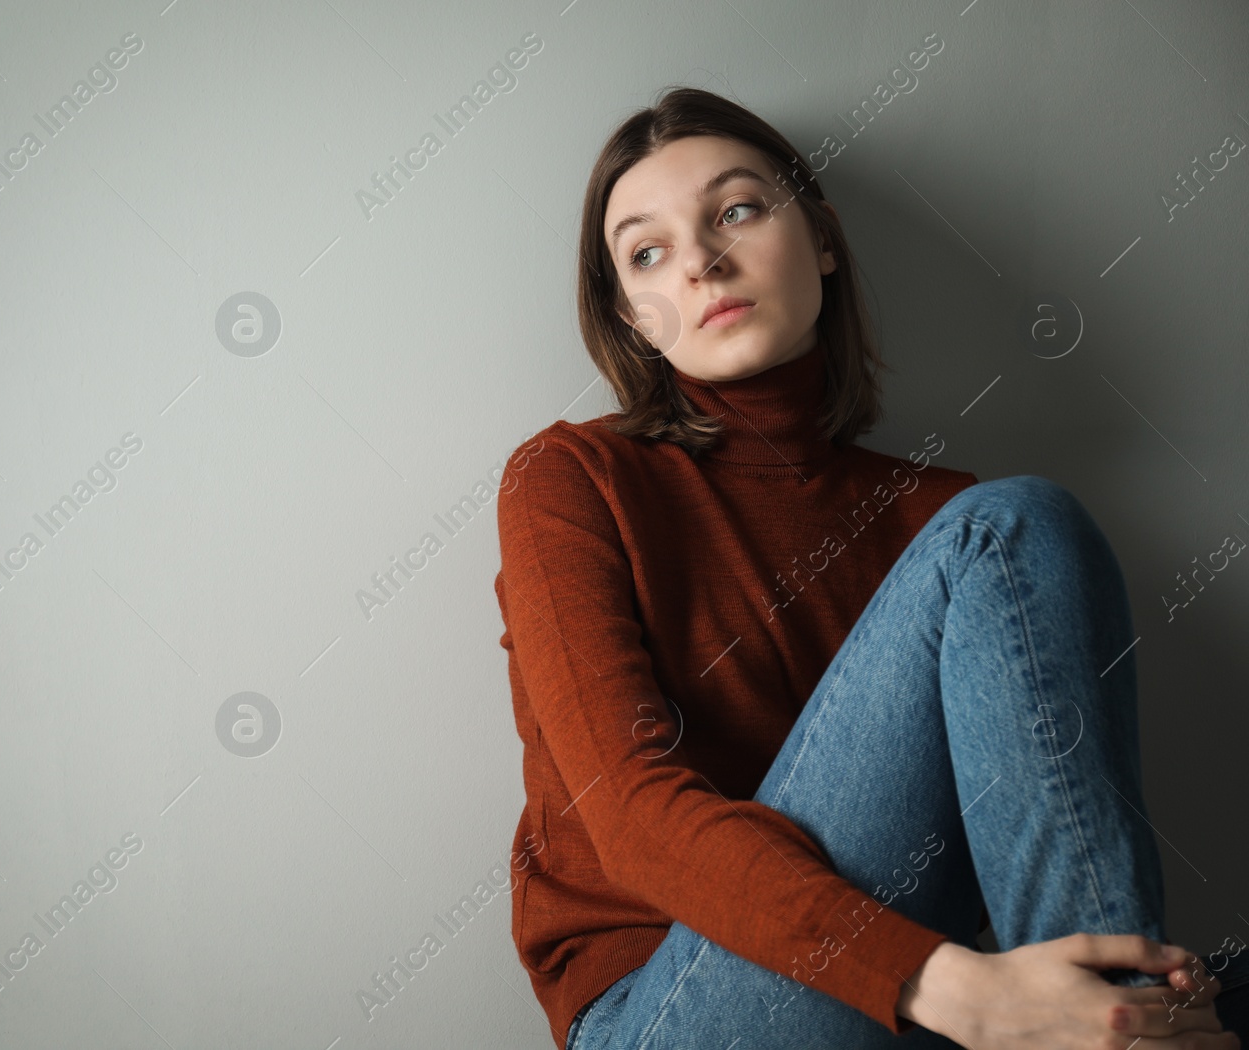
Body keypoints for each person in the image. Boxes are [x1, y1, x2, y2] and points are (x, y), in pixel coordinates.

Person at [492, 86, 1247, 1050]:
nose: (702, 263)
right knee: (1013, 524)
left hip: (902, 996)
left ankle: (1117, 1016)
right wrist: (957, 992)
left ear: (824, 241)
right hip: (670, 1008)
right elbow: (631, 819)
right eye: (648, 253)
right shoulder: (569, 478)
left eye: (736, 210)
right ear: (636, 318)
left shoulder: (937, 529)